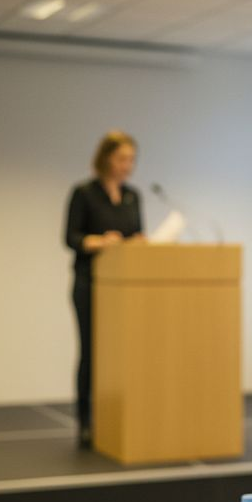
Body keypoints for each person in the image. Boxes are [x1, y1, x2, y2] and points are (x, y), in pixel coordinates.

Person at [65, 131, 143, 448]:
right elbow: (71, 238)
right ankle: (86, 420)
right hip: (91, 282)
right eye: (122, 158)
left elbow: (137, 234)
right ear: (106, 158)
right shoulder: (84, 193)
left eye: (132, 160)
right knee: (91, 352)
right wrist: (99, 241)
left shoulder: (132, 196)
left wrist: (137, 244)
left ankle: (119, 417)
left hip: (125, 288)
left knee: (123, 354)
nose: (128, 165)